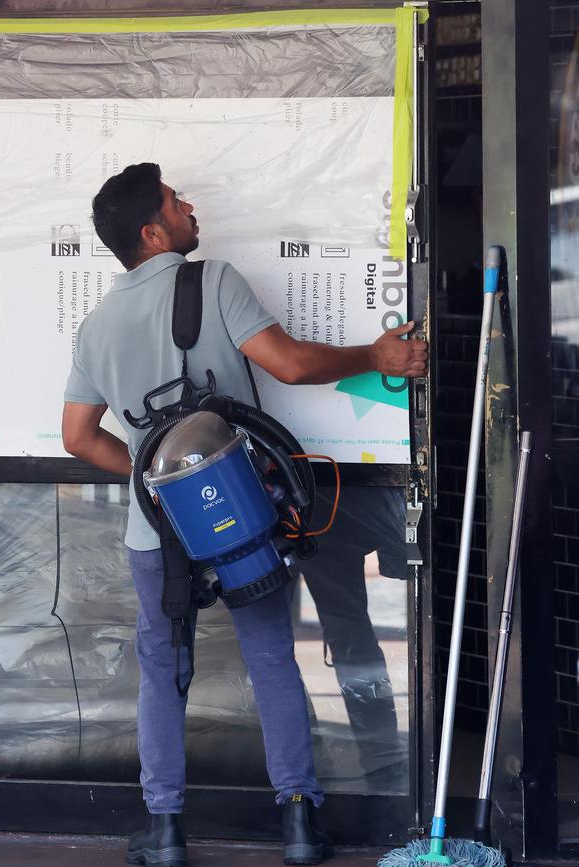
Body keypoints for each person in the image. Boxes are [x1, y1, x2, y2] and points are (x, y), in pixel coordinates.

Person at [62, 162, 428, 867]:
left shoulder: (96, 325)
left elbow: (78, 435)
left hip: (157, 533)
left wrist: (155, 479)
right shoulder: (214, 281)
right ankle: (298, 823)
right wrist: (377, 353)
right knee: (270, 658)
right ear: (151, 230)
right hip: (240, 518)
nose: (189, 206)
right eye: (175, 201)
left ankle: (165, 830)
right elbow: (286, 364)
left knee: (164, 670)